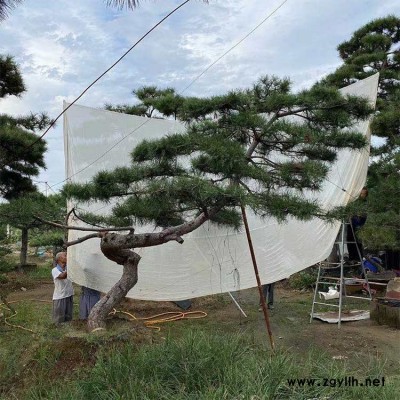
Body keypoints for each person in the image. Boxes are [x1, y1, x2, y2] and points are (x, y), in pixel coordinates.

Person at [346, 187, 368, 262]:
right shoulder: (354, 201)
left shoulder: (365, 204)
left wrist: (355, 216)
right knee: (349, 240)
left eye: (363, 194)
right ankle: (351, 258)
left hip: (358, 225)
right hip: (351, 224)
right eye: (360, 193)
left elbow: (363, 216)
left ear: (365, 195)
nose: (361, 195)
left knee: (357, 242)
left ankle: (358, 258)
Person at [51, 251, 74, 324]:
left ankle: (67, 329)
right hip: (60, 296)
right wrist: (70, 267)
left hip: (69, 294)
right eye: (65, 255)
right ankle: (58, 330)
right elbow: (63, 276)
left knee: (68, 316)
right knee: (59, 318)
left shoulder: (67, 268)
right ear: (59, 259)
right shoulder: (55, 270)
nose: (67, 257)